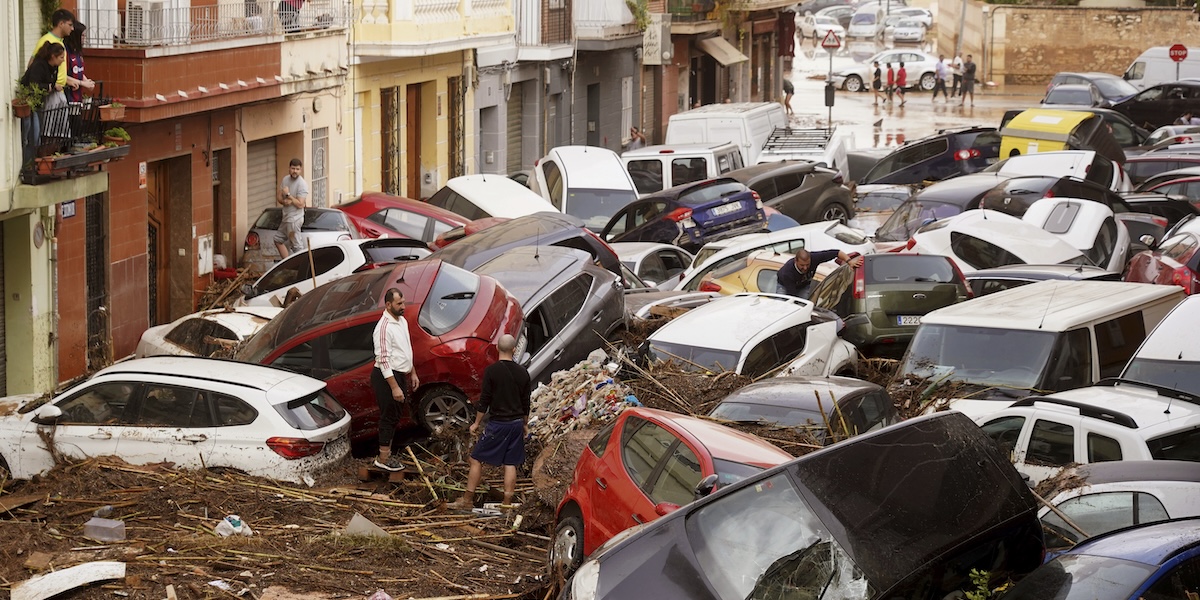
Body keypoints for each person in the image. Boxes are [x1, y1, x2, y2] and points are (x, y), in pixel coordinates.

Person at [447, 334, 531, 511]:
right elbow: (526, 403)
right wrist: (525, 424)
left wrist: (476, 423)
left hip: (498, 424)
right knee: (510, 463)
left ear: (497, 349)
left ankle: (467, 499)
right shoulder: (523, 373)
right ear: (514, 350)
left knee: (475, 459)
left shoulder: (491, 372)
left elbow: (484, 401)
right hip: (516, 423)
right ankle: (507, 504)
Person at [371, 288, 419, 472]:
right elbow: (383, 360)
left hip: (400, 374)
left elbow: (406, 349)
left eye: (403, 302)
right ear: (388, 304)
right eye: (399, 304)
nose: (403, 307)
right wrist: (394, 387)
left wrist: (412, 371)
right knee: (389, 416)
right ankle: (383, 458)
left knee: (397, 414)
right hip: (387, 377)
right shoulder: (383, 328)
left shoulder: (402, 321)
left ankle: (387, 454)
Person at [19, 42, 66, 168]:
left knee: (37, 136)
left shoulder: (54, 68)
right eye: (61, 57)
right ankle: (26, 166)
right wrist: (50, 86)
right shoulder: (39, 65)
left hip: (40, 103)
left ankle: (31, 164)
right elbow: (33, 84)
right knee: (32, 135)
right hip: (29, 102)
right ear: (53, 56)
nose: (63, 60)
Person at [777, 248, 864, 300]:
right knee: (785, 306)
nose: (805, 268)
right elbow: (792, 297)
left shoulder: (815, 257)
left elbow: (837, 253)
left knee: (803, 305)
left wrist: (849, 261)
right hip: (784, 286)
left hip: (804, 285)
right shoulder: (787, 273)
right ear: (796, 261)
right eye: (802, 265)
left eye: (807, 264)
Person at [30, 9, 74, 93]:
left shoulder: (61, 41)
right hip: (50, 92)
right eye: (70, 25)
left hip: (59, 91)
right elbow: (32, 65)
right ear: (61, 24)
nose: (72, 28)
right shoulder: (46, 40)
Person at [274, 158, 309, 258]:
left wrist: (289, 195)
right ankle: (287, 265)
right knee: (277, 240)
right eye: (293, 168)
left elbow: (301, 204)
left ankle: (302, 268)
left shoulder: (302, 184)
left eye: (297, 169)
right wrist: (284, 201)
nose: (295, 171)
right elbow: (279, 197)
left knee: (297, 247)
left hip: (294, 219)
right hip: (286, 217)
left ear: (300, 170)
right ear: (289, 168)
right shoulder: (285, 179)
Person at [63, 20, 95, 105]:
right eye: (82, 36)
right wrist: (83, 83)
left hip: (78, 97)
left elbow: (78, 70)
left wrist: (87, 81)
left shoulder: (77, 52)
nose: (84, 38)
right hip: (68, 97)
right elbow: (63, 75)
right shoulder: (65, 52)